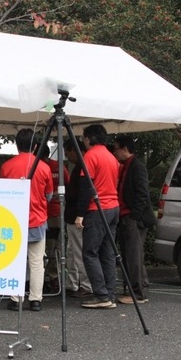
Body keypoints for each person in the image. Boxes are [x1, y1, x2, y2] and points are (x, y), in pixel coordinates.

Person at [0, 128, 53, 312]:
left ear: (16, 145)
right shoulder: (44, 167)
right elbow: (50, 195)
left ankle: (16, 298)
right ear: (36, 145)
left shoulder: (7, 166)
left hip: (13, 221)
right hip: (37, 219)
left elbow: (1, 194)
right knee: (37, 262)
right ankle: (36, 299)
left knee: (16, 260)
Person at [75, 124, 120, 309]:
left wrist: (79, 214)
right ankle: (110, 294)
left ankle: (101, 295)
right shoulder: (111, 157)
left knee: (90, 252)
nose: (84, 141)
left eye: (85, 137)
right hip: (113, 207)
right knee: (108, 253)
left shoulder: (90, 156)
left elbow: (87, 187)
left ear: (90, 138)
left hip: (97, 208)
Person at [113, 134, 156, 304]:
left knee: (133, 255)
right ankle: (136, 288)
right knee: (130, 254)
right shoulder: (125, 166)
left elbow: (142, 194)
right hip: (126, 215)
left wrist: (134, 216)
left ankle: (138, 292)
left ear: (125, 149)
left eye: (116, 148)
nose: (114, 152)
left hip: (133, 217)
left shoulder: (137, 166)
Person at [62, 138, 93, 298]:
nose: (68, 157)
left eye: (68, 153)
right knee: (72, 251)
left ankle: (85, 284)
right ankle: (73, 282)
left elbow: (82, 194)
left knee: (79, 251)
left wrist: (80, 214)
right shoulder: (79, 167)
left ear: (75, 151)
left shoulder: (82, 167)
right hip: (73, 215)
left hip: (77, 216)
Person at [39, 143, 70, 294]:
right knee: (49, 248)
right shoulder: (57, 167)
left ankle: (51, 278)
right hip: (47, 213)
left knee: (51, 247)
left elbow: (68, 186)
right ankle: (50, 278)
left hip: (53, 214)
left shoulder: (55, 167)